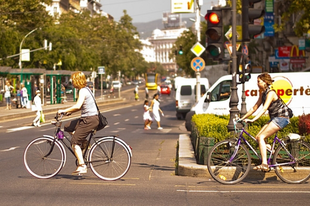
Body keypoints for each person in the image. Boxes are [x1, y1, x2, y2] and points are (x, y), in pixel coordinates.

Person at [240, 72, 290, 172]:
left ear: (265, 82)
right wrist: (242, 118)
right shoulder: (262, 93)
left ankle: (264, 164)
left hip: (282, 118)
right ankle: (274, 154)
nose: (257, 83)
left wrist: (253, 120)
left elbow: (264, 109)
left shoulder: (271, 93)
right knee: (258, 137)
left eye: (259, 81)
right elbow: (255, 107)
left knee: (262, 137)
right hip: (275, 118)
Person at [58, 71, 99, 175]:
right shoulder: (87, 90)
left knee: (74, 142)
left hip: (89, 120)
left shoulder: (82, 91)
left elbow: (78, 106)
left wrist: (64, 110)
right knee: (68, 127)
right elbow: (81, 106)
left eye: (73, 80)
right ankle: (84, 142)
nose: (72, 82)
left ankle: (82, 165)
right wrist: (68, 112)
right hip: (89, 118)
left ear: (77, 81)